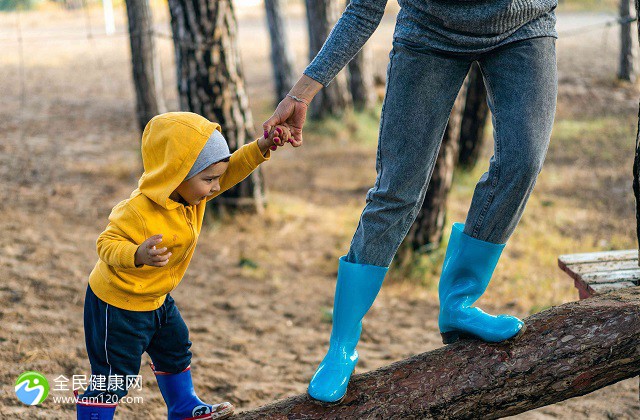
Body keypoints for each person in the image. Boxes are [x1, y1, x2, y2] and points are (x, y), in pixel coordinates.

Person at [264, 0, 558, 403]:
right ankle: (341, 348)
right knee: (396, 191)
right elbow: (364, 9)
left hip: (525, 24)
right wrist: (303, 91)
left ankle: (459, 303)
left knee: (522, 163)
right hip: (430, 31)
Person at [76, 112, 290, 419]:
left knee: (175, 348)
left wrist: (262, 146)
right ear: (176, 175)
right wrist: (137, 254)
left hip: (157, 299)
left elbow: (231, 170)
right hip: (118, 306)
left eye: (217, 178)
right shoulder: (137, 210)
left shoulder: (193, 195)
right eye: (209, 179)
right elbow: (105, 244)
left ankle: (183, 407)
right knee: (115, 376)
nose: (216, 187)